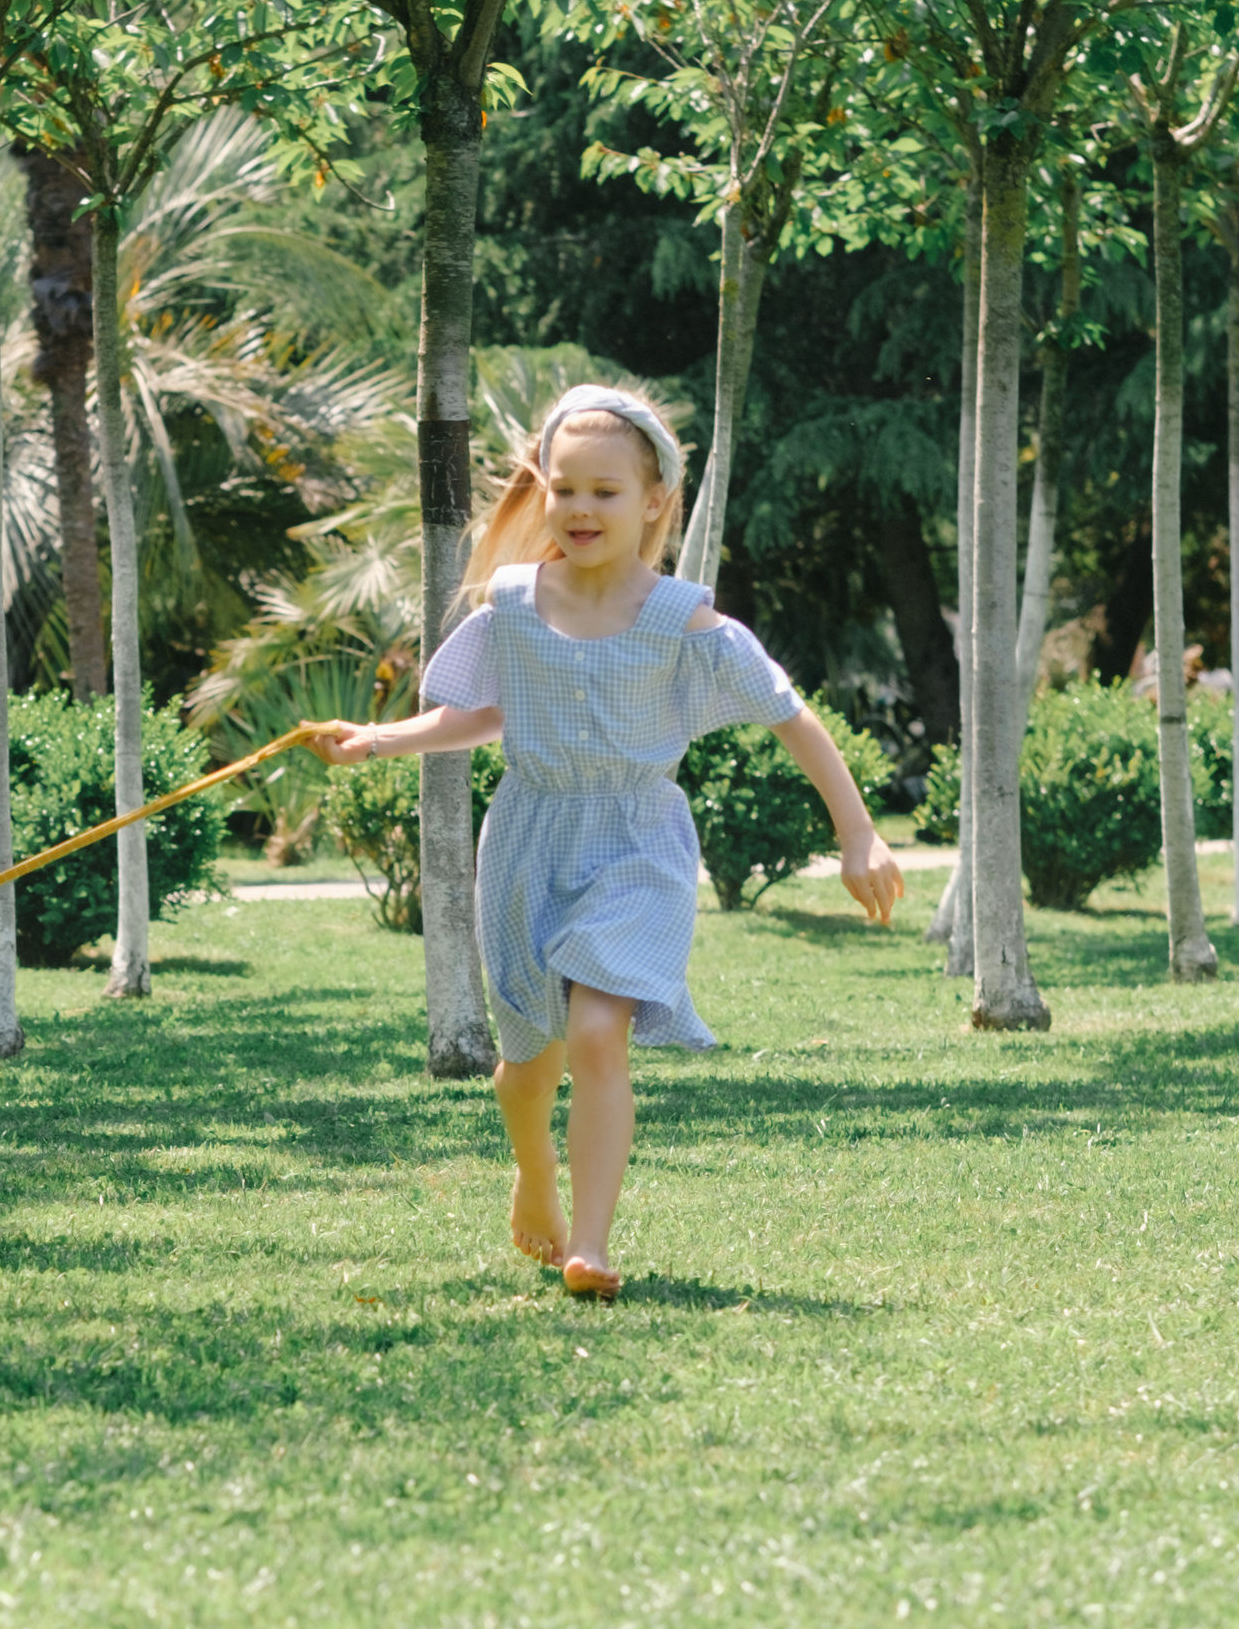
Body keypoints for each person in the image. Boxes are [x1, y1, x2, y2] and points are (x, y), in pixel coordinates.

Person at [309, 384, 901, 1297]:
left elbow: (793, 717)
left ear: (656, 499)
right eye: (566, 488)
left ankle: (591, 1245)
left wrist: (858, 834)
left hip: (637, 841)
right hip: (528, 837)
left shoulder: (684, 619)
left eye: (608, 491)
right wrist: (378, 739)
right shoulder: (511, 603)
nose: (583, 508)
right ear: (544, 490)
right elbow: (486, 716)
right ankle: (534, 1175)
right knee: (523, 1069)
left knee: (595, 1036)